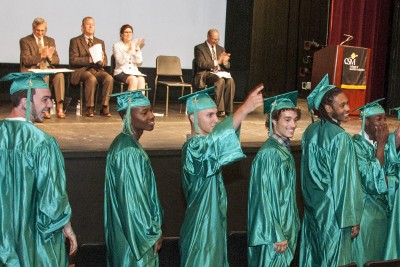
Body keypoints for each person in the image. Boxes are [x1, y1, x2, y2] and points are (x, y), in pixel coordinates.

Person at [178, 84, 264, 266]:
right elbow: (216, 142)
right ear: (192, 117)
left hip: (211, 229)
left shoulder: (204, 146)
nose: (216, 120)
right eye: (209, 115)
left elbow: (217, 140)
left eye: (216, 114)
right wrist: (245, 109)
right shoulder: (194, 149)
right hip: (200, 233)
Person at [0, 72, 77, 266]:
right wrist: (66, 226)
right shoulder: (42, 143)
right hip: (32, 240)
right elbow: (52, 198)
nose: (51, 105)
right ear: (25, 102)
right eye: (45, 99)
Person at [299, 74, 363, 266]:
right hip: (334, 214)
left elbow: (305, 177)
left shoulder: (309, 132)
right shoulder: (340, 138)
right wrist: (352, 218)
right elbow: (345, 182)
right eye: (342, 105)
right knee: (335, 260)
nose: (348, 109)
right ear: (328, 108)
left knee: (315, 258)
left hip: (313, 210)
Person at [104, 89, 163, 266]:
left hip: (128, 236)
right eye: (144, 112)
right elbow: (133, 203)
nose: (152, 116)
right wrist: (151, 234)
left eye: (151, 110)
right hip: (136, 240)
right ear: (128, 117)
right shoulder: (128, 152)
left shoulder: (125, 144)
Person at [247, 91, 301, 267]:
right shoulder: (270, 153)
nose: (293, 125)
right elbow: (264, 197)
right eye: (287, 119)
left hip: (283, 229)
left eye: (294, 119)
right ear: (273, 121)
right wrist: (276, 233)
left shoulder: (281, 148)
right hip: (275, 235)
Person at [351, 99, 400, 266]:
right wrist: (381, 146)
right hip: (365, 217)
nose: (384, 124)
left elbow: (391, 165)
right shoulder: (355, 146)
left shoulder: (381, 144)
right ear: (366, 122)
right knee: (366, 259)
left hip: (382, 216)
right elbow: (372, 182)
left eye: (385, 119)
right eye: (378, 119)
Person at [20, 17, 66, 119]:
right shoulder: (25, 41)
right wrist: (41, 55)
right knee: (44, 76)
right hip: (33, 70)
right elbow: (26, 60)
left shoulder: (50, 40)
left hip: (48, 68)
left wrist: (49, 57)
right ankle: (43, 108)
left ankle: (60, 107)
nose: (40, 33)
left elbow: (56, 60)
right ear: (33, 29)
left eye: (43, 30)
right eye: (38, 30)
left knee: (60, 76)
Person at [69, 16, 113, 117]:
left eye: (92, 25)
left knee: (109, 78)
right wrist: (89, 60)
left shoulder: (100, 42)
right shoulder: (75, 41)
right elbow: (73, 60)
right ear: (82, 27)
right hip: (81, 70)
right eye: (88, 24)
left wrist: (101, 60)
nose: (90, 26)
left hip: (97, 69)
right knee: (91, 78)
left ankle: (105, 107)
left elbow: (105, 62)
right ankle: (89, 108)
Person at [193, 28, 235, 117]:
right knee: (220, 80)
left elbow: (227, 66)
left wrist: (225, 62)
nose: (216, 41)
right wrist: (217, 62)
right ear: (208, 37)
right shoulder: (199, 48)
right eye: (214, 39)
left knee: (230, 80)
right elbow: (201, 64)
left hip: (220, 73)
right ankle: (219, 110)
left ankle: (228, 110)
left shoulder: (221, 49)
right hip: (206, 74)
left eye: (217, 39)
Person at [113, 24, 146, 91]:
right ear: (122, 34)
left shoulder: (134, 45)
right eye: (126, 32)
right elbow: (120, 61)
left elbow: (139, 61)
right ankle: (129, 101)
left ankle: (139, 101)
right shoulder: (117, 45)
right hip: (121, 71)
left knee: (141, 79)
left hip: (133, 72)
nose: (128, 34)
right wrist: (127, 51)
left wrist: (137, 49)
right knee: (133, 79)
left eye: (130, 32)